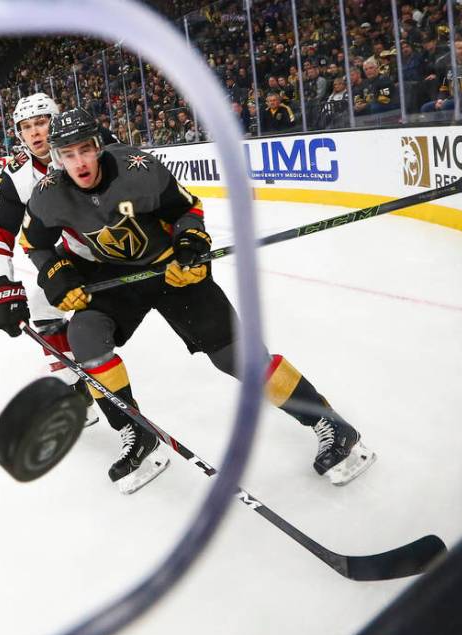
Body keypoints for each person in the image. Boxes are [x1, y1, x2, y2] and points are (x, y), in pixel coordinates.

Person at [21, 109, 375, 494]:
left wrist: (190, 244)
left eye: (85, 150)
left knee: (233, 356)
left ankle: (330, 422)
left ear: (98, 146)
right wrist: (58, 277)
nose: (79, 162)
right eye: (68, 154)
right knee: (85, 337)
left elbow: (187, 209)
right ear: (56, 157)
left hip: (172, 271)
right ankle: (135, 434)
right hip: (114, 278)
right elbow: (34, 244)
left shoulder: (137, 168)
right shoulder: (48, 195)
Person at [0, 92, 98, 427]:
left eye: (41, 122)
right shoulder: (17, 175)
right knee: (44, 307)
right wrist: (1, 284)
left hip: (125, 244)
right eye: (26, 127)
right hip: (78, 250)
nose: (35, 133)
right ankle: (75, 391)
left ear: (56, 120)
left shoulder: (89, 147)